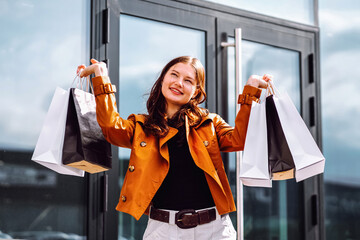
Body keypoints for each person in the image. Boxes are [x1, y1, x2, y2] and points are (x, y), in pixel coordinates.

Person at [77, 56, 271, 240]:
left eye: (188, 80)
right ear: (162, 80)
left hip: (214, 230)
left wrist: (251, 90)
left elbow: (239, 139)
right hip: (162, 230)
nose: (179, 83)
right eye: (174, 75)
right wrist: (101, 77)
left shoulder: (209, 123)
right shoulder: (142, 127)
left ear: (196, 91)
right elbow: (111, 128)